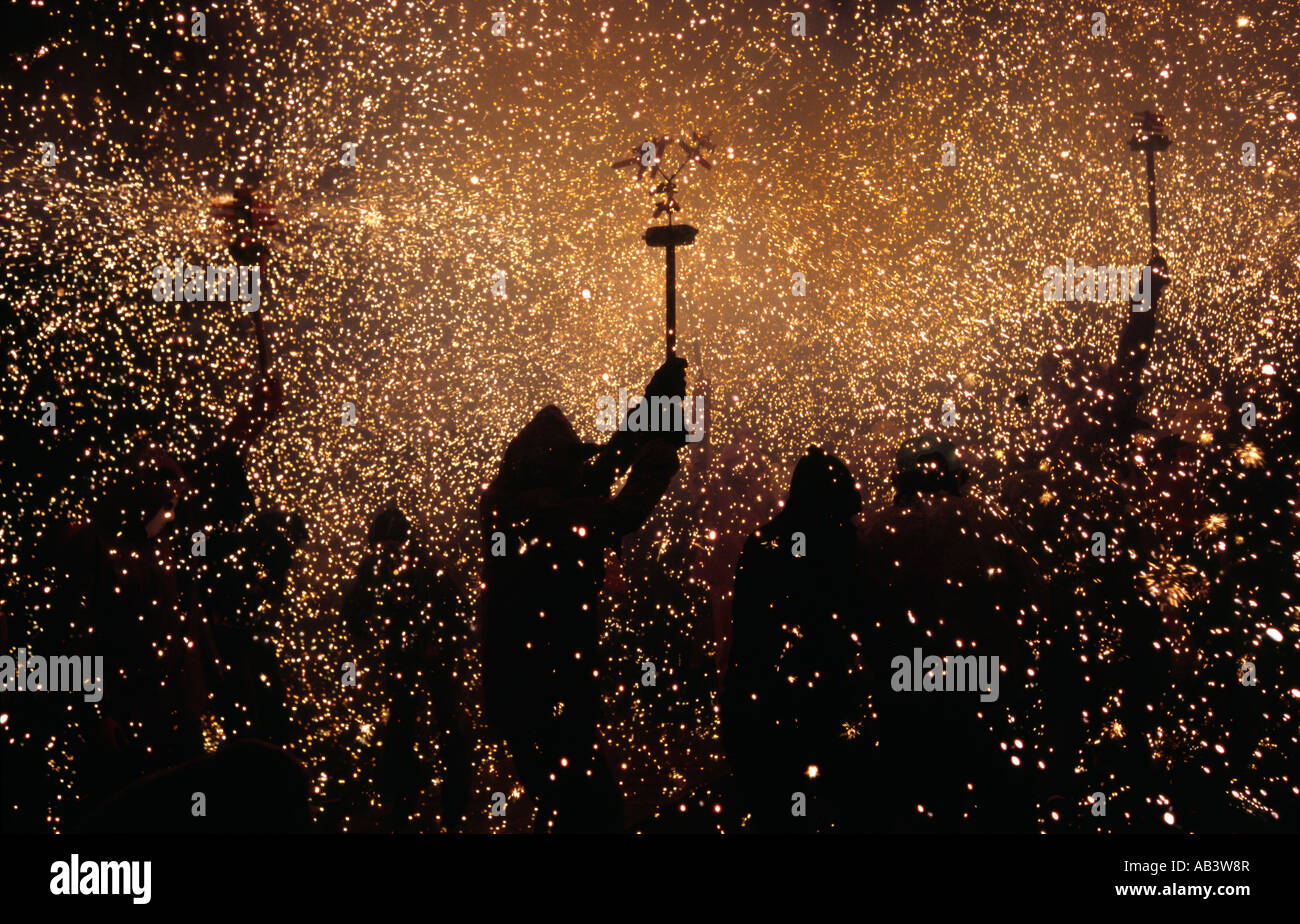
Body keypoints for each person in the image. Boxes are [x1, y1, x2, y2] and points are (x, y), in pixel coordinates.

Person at [480, 356, 687, 832]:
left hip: (528, 696)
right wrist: (660, 451)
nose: (582, 473)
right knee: (588, 812)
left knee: (570, 808)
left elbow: (606, 464)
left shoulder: (521, 507)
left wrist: (655, 401)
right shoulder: (540, 519)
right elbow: (620, 511)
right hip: (541, 699)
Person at [721, 446, 868, 831]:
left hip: (763, 719)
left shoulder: (763, 544)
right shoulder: (844, 550)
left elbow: (748, 642)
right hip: (815, 718)